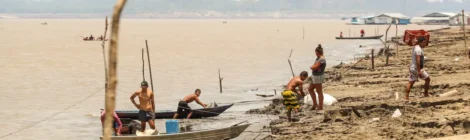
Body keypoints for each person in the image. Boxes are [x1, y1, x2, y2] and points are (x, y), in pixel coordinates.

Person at [308, 44, 327, 112]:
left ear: (317, 52)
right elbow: (315, 66)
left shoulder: (321, 59)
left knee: (319, 91)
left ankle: (320, 106)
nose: (315, 54)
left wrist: (312, 67)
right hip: (315, 76)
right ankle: (315, 104)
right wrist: (313, 66)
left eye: (316, 53)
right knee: (310, 89)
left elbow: (314, 67)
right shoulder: (318, 58)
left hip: (318, 76)